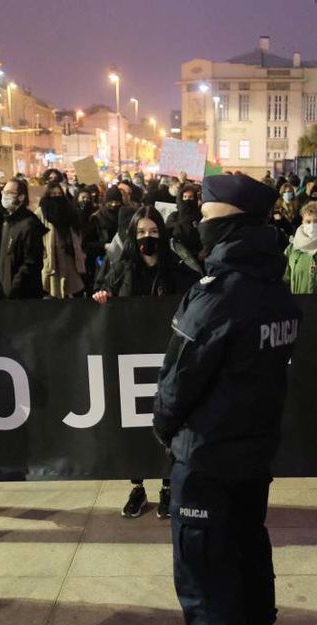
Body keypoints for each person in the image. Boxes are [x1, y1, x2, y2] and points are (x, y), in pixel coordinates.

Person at [143, 173, 302, 625]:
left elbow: (179, 378)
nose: (197, 221)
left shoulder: (219, 292)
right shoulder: (274, 284)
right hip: (254, 446)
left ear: (227, 224)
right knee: (247, 542)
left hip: (207, 455)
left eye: (206, 214)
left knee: (204, 570)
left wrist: (164, 428)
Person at [94, 206, 201, 520]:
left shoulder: (178, 270)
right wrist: (102, 298)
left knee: (168, 421)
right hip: (130, 359)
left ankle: (168, 485)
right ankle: (137, 485)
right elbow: (101, 293)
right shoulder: (120, 268)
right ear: (132, 235)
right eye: (141, 232)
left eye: (153, 232)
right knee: (136, 424)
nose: (147, 238)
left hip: (167, 360)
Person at [0, 178, 45, 299]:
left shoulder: (29, 224)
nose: (4, 196)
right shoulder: (8, 222)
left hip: (23, 294)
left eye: (9, 193)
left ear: (21, 197)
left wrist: (14, 288)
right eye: (3, 192)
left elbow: (31, 262)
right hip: (6, 289)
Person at [38, 184, 86, 298]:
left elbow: (77, 231)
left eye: (59, 194)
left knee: (74, 288)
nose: (56, 197)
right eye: (53, 194)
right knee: (52, 290)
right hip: (51, 257)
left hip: (69, 256)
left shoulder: (69, 211)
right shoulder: (41, 212)